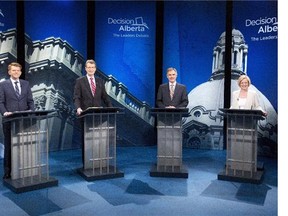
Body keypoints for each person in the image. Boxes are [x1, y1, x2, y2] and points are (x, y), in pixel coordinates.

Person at [73, 59, 112, 165]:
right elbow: (76, 97)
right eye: (89, 67)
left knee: (98, 138)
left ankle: (98, 161)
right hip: (85, 115)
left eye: (92, 67)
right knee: (87, 139)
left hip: (98, 115)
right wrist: (78, 108)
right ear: (85, 69)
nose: (91, 69)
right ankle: (87, 163)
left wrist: (110, 107)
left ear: (95, 69)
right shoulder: (80, 81)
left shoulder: (100, 81)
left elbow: (105, 96)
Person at [0, 62, 35, 179]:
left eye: (18, 70)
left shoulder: (26, 84)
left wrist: (32, 111)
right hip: (9, 120)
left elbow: (30, 101)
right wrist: (4, 112)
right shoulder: (3, 85)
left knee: (24, 145)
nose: (16, 72)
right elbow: (0, 102)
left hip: (24, 120)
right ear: (9, 72)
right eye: (14, 70)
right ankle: (8, 171)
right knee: (9, 146)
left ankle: (23, 168)